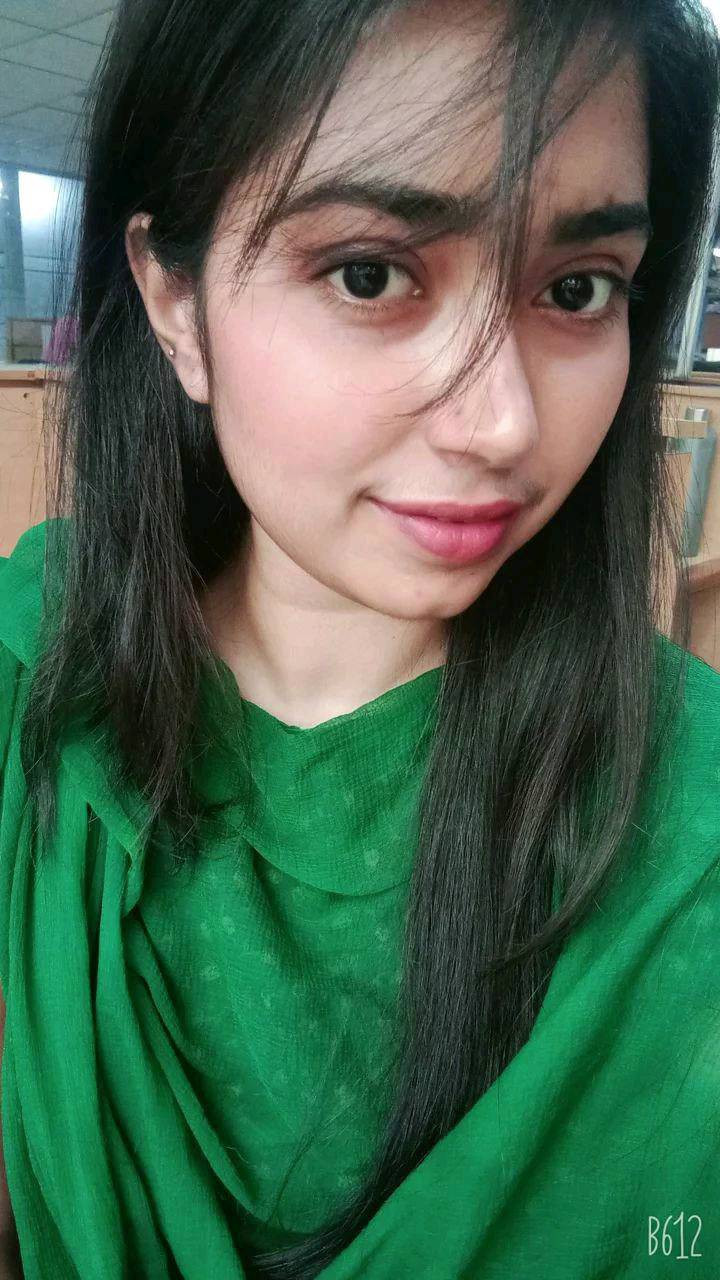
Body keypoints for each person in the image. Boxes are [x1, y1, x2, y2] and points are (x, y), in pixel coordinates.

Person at [1, 0, 720, 1275]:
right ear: (174, 302)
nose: (505, 422)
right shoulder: (32, 681)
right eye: (371, 274)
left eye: (577, 289)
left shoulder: (689, 817)